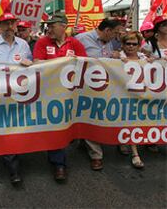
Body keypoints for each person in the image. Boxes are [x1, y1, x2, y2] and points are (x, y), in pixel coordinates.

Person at [33, 13, 87, 182]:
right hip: (48, 93)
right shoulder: (42, 42)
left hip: (70, 93)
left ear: (64, 26)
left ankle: (61, 152)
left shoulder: (75, 43)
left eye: (52, 25)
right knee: (55, 125)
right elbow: (36, 63)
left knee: (66, 126)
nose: (49, 28)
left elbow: (86, 64)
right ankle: (59, 164)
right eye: (48, 25)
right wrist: (63, 63)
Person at [0, 13, 33, 187]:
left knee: (17, 127)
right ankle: (13, 169)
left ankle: (12, 156)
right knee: (7, 127)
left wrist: (29, 64)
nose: (10, 26)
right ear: (0, 26)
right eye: (6, 23)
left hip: (20, 93)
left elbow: (33, 67)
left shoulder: (24, 45)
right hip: (0, 94)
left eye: (12, 22)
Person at [76, 18, 124, 171]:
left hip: (107, 85)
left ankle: (86, 140)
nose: (116, 36)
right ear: (107, 31)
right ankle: (96, 155)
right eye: (115, 33)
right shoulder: (82, 39)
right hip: (87, 86)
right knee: (92, 115)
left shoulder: (110, 42)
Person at [120, 31, 154, 168]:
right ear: (123, 45)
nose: (131, 46)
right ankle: (135, 154)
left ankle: (125, 142)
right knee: (130, 121)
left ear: (139, 45)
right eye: (128, 43)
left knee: (137, 121)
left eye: (134, 44)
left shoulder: (145, 58)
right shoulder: (117, 58)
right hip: (123, 95)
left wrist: (152, 62)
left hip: (141, 95)